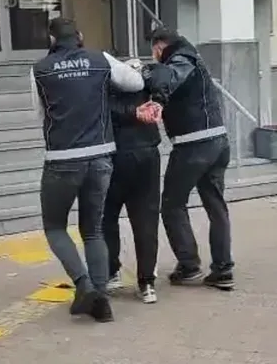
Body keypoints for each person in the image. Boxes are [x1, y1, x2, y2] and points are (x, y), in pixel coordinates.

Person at [30, 18, 144, 322]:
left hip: (62, 158)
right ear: (79, 36)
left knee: (55, 227)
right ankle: (101, 299)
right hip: (101, 155)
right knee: (93, 229)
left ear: (51, 39)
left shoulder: (40, 69)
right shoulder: (100, 59)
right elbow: (136, 83)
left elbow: (38, 112)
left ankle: (84, 286)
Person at [140, 27, 235, 291]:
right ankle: (223, 270)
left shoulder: (181, 59)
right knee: (216, 206)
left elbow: (170, 77)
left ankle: (189, 266)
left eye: (153, 51)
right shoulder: (193, 57)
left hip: (193, 145)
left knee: (172, 205)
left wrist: (149, 79)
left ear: (159, 47)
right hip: (218, 141)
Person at [102, 58, 162, 304]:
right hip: (147, 155)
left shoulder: (105, 89)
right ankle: (147, 283)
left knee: (107, 217)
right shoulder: (147, 85)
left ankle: (111, 272)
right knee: (146, 219)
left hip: (114, 158)